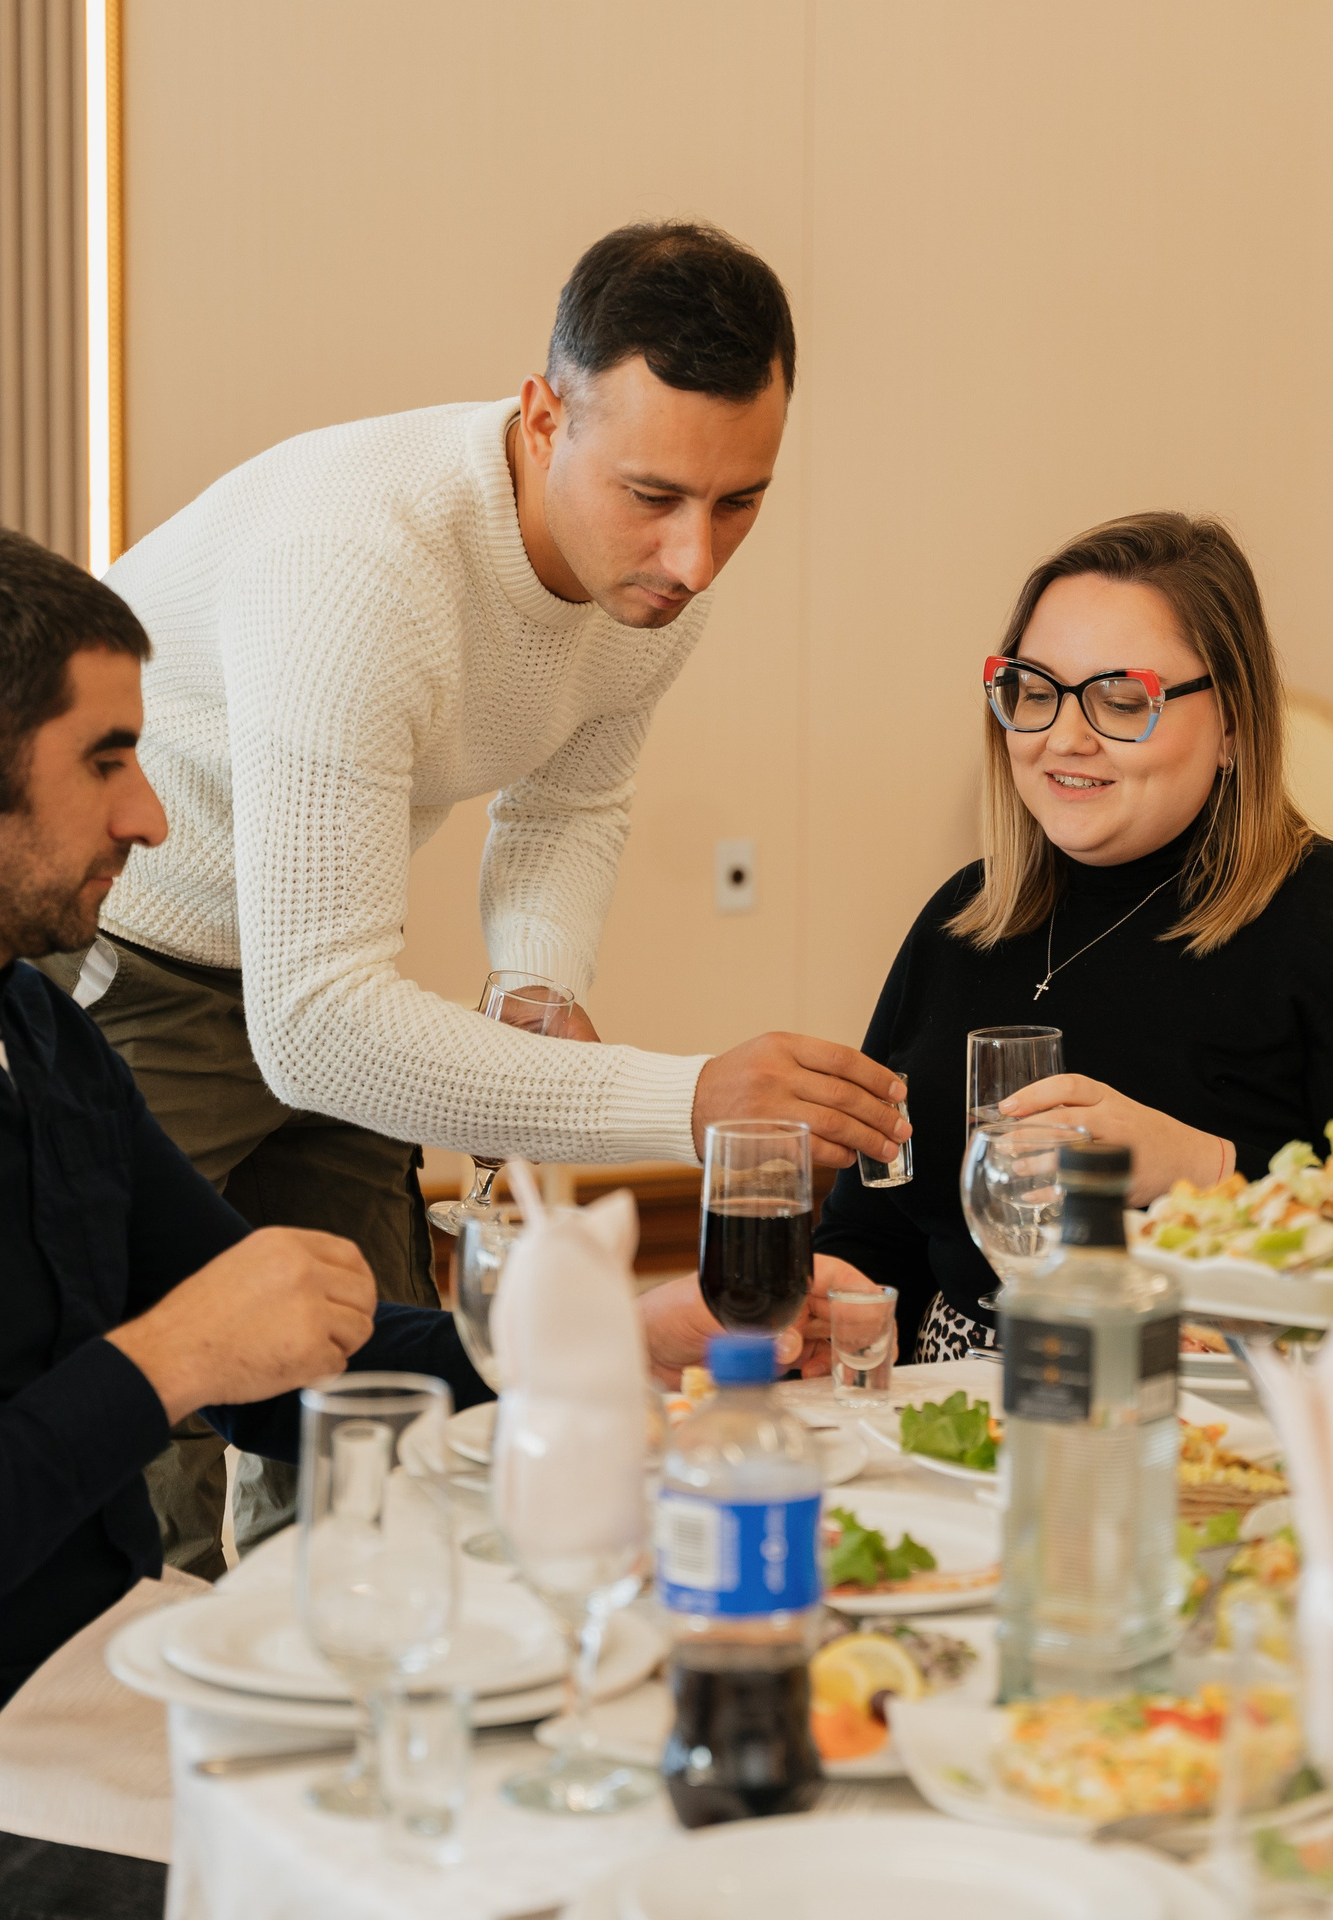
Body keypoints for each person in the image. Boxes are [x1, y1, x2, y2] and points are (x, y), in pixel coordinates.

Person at [65, 221, 907, 1569]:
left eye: (740, 501)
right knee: (156, 1416)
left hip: (325, 969)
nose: (696, 558)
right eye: (654, 495)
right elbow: (316, 1030)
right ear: (542, 417)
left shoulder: (654, 573)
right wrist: (687, 1101)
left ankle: (349, 1653)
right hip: (134, 957)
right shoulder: (359, 564)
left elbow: (568, 798)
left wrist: (534, 978)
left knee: (376, 1420)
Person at [0, 520, 498, 1917]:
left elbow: (273, 1364)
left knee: (500, 1803)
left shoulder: (32, 1027)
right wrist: (162, 1363)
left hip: (92, 1661)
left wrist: (581, 1345)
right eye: (108, 760)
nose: (150, 817)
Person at [813, 512, 1333, 1360]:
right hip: (952, 1396)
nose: (1064, 738)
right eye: (1035, 691)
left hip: (1230, 1402)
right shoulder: (962, 918)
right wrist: (830, 1302)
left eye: (1123, 701)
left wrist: (1202, 1168)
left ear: (1234, 723)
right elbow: (874, 1229)